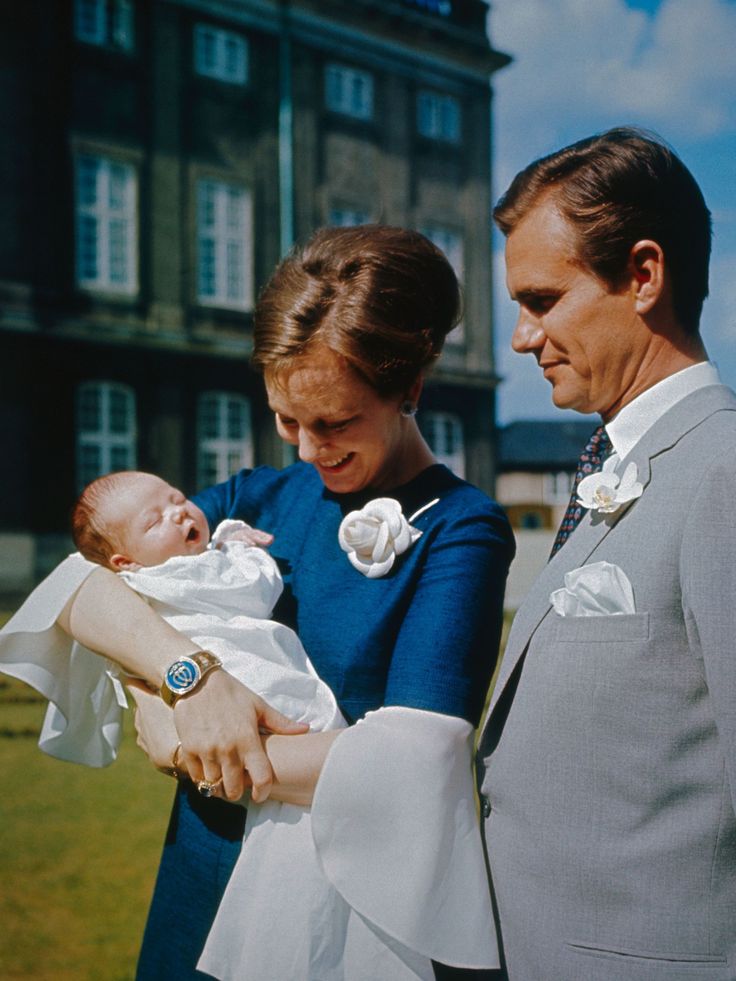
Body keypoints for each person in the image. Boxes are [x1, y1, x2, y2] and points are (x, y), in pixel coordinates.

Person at [0, 225, 514, 980]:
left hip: (339, 908)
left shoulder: (463, 529)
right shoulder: (253, 495)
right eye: (286, 419)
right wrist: (189, 678)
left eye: (335, 422)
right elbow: (79, 585)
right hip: (201, 874)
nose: (307, 449)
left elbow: (411, 762)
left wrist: (196, 745)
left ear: (411, 385)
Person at [477, 128, 736, 980]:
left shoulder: (723, 472)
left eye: (542, 299)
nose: (521, 337)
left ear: (644, 275)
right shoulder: (611, 471)